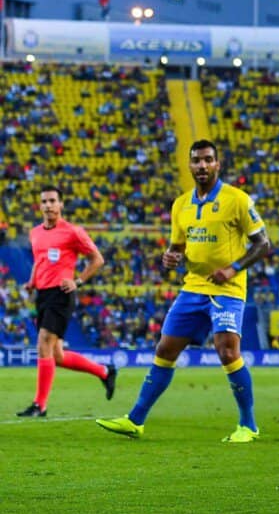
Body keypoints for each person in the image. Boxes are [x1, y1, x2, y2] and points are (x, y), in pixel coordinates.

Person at [96, 140, 270, 442]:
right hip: (193, 288)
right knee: (165, 350)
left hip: (227, 290)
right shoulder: (180, 205)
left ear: (218, 163)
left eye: (208, 160)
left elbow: (263, 243)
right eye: (196, 161)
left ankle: (249, 425)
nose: (202, 166)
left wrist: (232, 269)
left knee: (227, 351)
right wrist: (170, 257)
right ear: (189, 165)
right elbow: (177, 248)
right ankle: (135, 420)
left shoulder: (237, 200)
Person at [17, 185, 116, 417]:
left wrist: (78, 281)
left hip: (61, 294)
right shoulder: (35, 233)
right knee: (57, 356)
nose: (48, 205)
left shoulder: (73, 232)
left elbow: (97, 259)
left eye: (52, 201)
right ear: (39, 206)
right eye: (44, 201)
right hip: (42, 294)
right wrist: (32, 281)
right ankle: (104, 372)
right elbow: (39, 260)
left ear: (61, 205)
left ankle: (39, 405)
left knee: (43, 343)